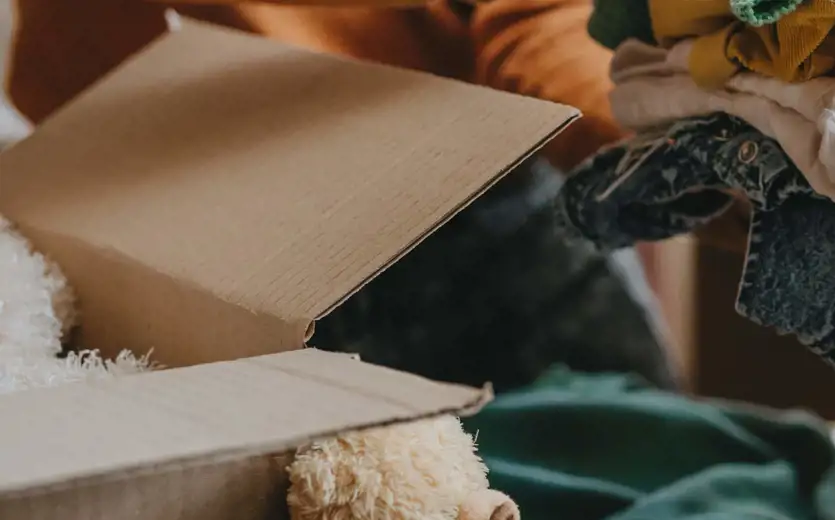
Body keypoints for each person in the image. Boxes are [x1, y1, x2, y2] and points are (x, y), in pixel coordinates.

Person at [8, 0, 684, 390]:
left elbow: (542, 21)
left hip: (477, 190)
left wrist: (689, 142)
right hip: (197, 236)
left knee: (667, 450)